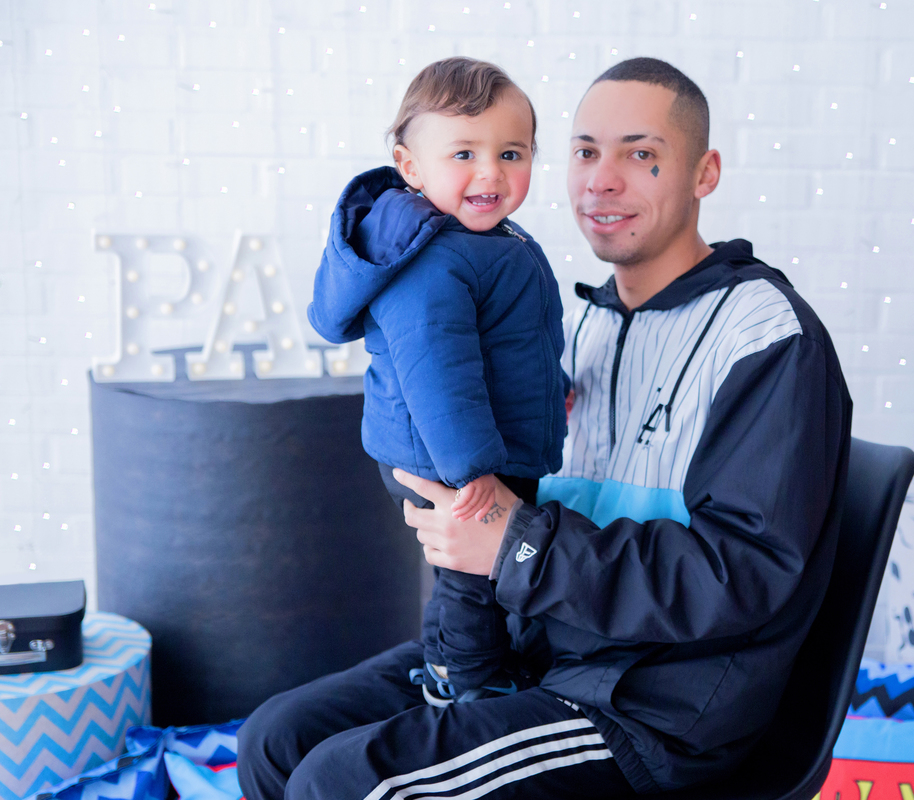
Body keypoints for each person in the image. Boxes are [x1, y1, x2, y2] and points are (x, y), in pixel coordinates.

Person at [239, 57, 852, 800]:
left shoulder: (763, 335)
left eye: (642, 155)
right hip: (538, 653)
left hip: (645, 708)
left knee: (343, 782)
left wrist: (514, 543)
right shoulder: (586, 321)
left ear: (704, 172)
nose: (602, 180)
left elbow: (744, 573)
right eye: (587, 152)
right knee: (277, 741)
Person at [304, 57, 568, 706]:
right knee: (470, 574)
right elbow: (436, 372)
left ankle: (462, 663)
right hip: (445, 451)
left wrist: (555, 383)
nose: (490, 172)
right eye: (463, 153)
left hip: (476, 443)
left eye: (511, 153)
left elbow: (514, 337)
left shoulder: (493, 239)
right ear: (411, 166)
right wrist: (470, 468)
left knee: (474, 568)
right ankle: (470, 683)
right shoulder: (430, 258)